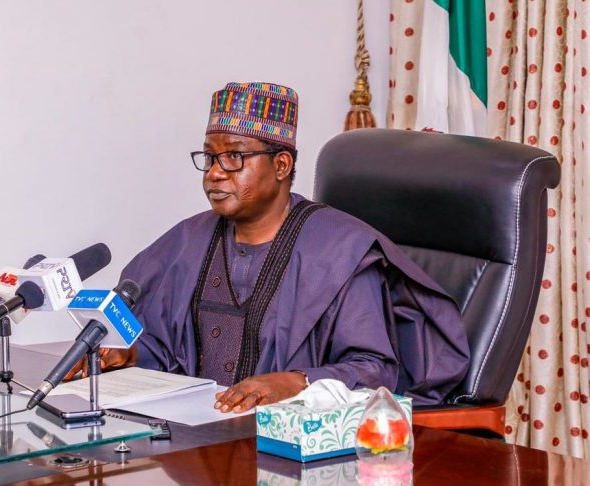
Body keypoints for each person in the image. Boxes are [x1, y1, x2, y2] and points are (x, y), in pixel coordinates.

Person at [90, 82, 470, 413]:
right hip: (194, 439)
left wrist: (297, 382)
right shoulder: (188, 241)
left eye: (234, 157)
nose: (215, 173)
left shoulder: (340, 251)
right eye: (210, 157)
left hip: (291, 446)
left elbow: (375, 369)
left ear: (282, 165)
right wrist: (130, 354)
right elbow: (172, 350)